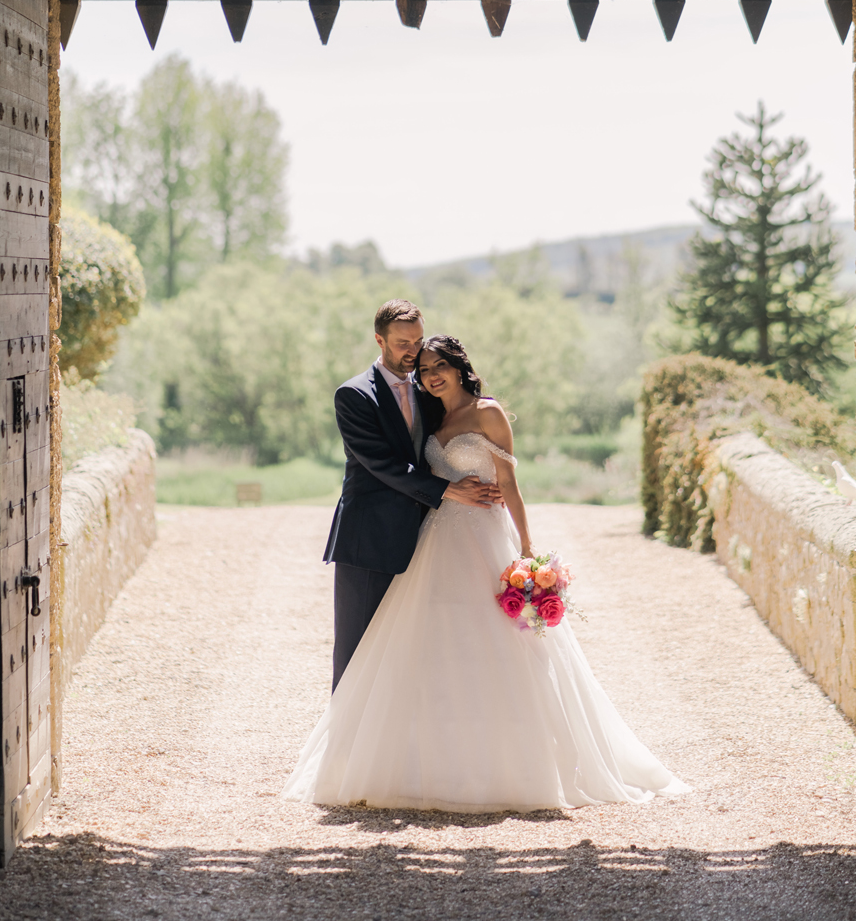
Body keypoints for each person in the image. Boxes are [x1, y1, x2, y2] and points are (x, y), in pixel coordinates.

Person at [284, 332, 690, 812]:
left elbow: (510, 484)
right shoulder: (432, 414)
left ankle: (515, 763)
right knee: (432, 639)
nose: (431, 375)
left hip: (484, 536)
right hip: (436, 537)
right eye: (424, 369)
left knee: (504, 639)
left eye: (439, 366)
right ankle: (427, 760)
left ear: (460, 367)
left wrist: (528, 549)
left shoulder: (488, 412)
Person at [322, 300, 501, 690]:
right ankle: (344, 731)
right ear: (379, 340)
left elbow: (451, 440)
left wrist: (489, 477)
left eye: (418, 341)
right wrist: (450, 490)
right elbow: (381, 464)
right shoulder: (353, 395)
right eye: (403, 343)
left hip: (426, 541)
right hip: (368, 542)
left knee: (415, 652)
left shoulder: (427, 391)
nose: (413, 351)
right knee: (357, 649)